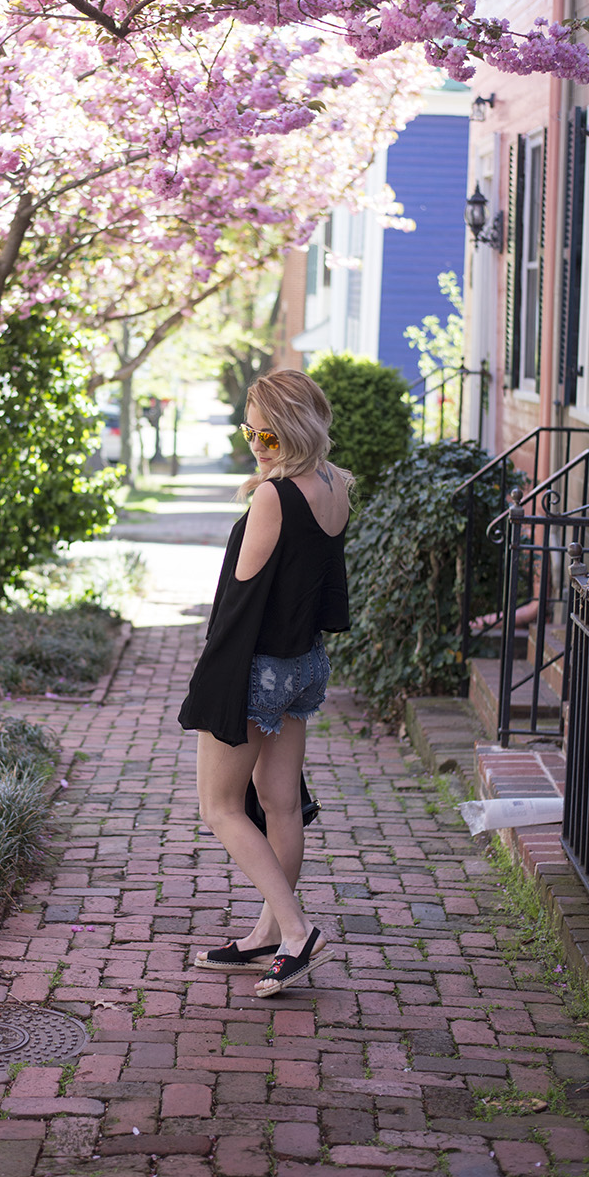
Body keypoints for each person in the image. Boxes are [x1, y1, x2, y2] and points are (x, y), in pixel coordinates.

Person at [178, 369, 350, 996]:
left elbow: (237, 605)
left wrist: (209, 687)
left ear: (296, 427)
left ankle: (298, 930)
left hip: (257, 670)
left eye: (269, 433)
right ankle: (266, 936)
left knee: (221, 808)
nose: (257, 443)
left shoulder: (274, 499)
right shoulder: (335, 485)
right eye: (250, 430)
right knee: (279, 803)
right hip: (305, 664)